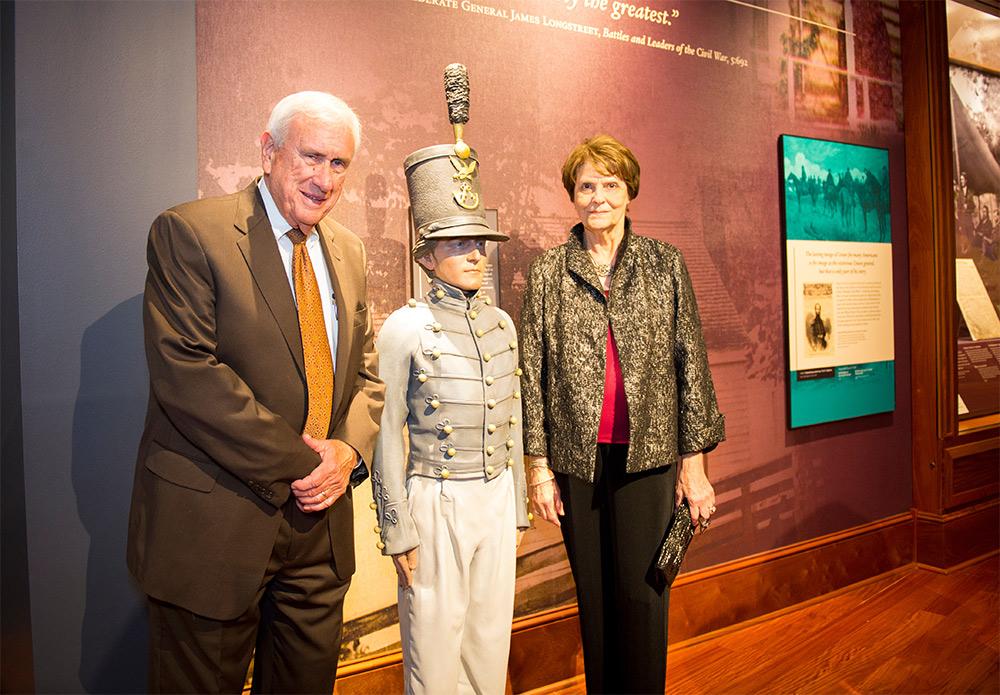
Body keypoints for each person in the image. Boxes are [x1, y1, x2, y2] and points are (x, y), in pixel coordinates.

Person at [126, 91, 384, 693]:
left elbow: (367, 372)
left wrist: (347, 453)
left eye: (339, 164)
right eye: (311, 157)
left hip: (319, 535)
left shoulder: (349, 252)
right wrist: (305, 463)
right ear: (268, 150)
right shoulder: (191, 232)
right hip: (215, 528)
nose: (324, 179)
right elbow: (187, 373)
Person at [519, 134, 726, 694]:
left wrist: (695, 464)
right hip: (576, 463)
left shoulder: (664, 264)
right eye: (587, 186)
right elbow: (531, 375)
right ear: (573, 195)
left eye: (610, 185)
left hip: (649, 459)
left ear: (629, 191)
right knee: (595, 597)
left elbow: (692, 366)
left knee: (643, 596)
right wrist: (538, 466)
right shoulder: (548, 272)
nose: (598, 197)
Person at [372, 138, 528, 695]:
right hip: (435, 499)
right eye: (457, 242)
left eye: (478, 242)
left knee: (490, 642)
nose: (474, 254)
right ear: (425, 255)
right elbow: (386, 435)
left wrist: (516, 511)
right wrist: (397, 531)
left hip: (493, 499)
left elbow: (510, 422)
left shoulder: (502, 325)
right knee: (434, 653)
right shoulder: (405, 329)